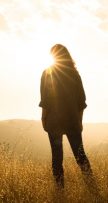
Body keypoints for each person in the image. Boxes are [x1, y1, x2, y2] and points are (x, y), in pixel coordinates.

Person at [39, 44, 96, 190]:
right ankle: (93, 188)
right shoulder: (74, 75)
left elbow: (45, 100)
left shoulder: (47, 73)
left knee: (57, 158)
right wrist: (79, 121)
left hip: (54, 121)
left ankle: (60, 191)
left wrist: (43, 119)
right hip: (72, 121)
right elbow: (81, 101)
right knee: (81, 157)